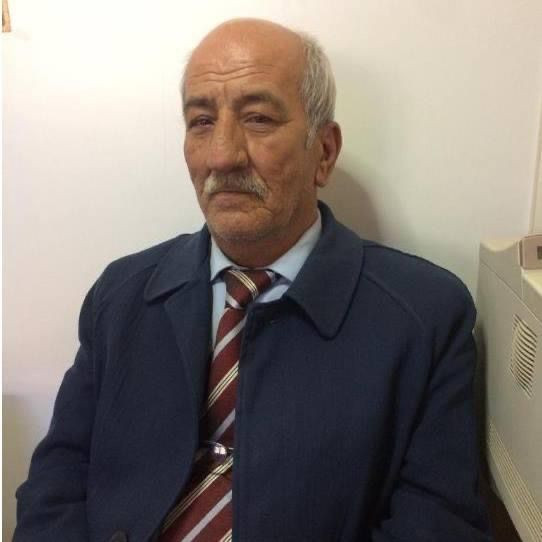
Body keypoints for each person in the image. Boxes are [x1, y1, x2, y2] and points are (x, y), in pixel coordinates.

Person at [14, 18, 492, 542]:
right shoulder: (123, 294)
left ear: (324, 151)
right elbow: (57, 481)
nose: (222, 155)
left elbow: (438, 524)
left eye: (258, 118)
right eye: (201, 121)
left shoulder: (425, 318)